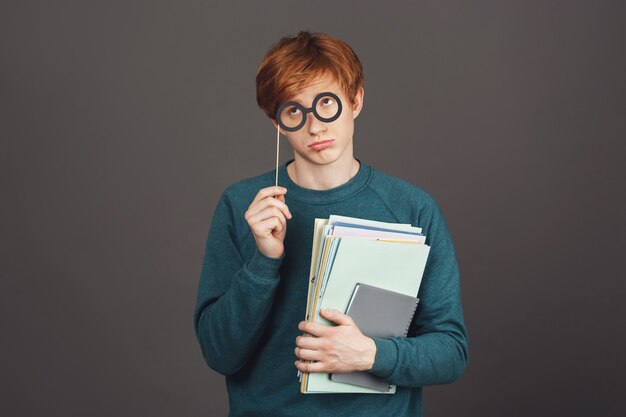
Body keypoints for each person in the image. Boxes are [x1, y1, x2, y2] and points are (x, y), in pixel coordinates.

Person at [193, 31, 468, 417]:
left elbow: (451, 352)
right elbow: (220, 354)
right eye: (294, 112)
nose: (315, 127)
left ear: (355, 101)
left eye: (327, 104)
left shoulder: (413, 208)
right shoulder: (242, 206)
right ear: (277, 124)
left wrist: (370, 353)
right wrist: (264, 261)